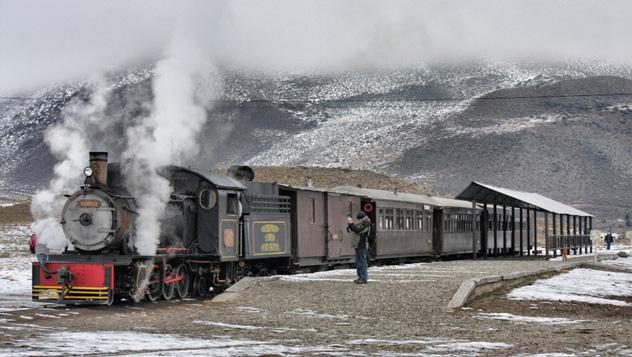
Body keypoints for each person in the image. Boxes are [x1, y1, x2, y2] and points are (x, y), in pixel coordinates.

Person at [347, 211, 371, 284]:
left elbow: (358, 230)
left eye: (359, 219)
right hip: (358, 245)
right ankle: (360, 277)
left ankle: (363, 278)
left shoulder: (366, 223)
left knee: (362, 262)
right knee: (359, 262)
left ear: (362, 218)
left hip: (362, 245)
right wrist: (350, 226)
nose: (358, 220)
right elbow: (354, 229)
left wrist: (351, 223)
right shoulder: (363, 223)